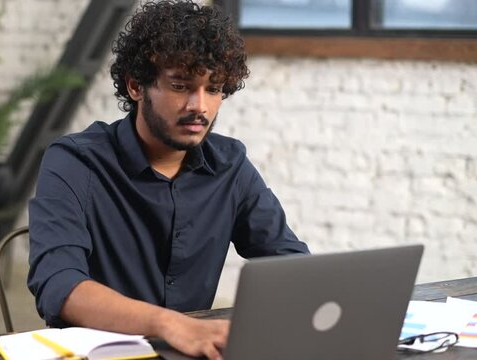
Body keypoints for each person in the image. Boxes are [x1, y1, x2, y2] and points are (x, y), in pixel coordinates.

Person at [27, 1, 310, 359]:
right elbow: (59, 285)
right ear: (135, 86)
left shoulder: (230, 165)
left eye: (214, 89)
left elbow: (288, 262)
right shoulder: (75, 162)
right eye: (180, 86)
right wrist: (171, 324)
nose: (200, 106)